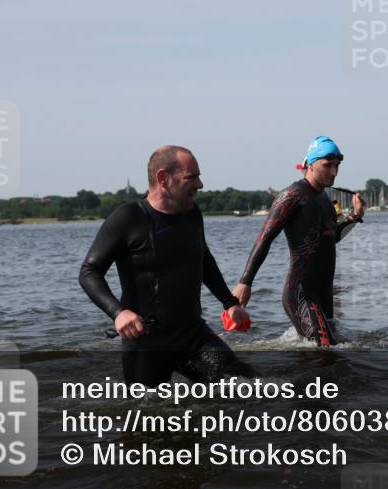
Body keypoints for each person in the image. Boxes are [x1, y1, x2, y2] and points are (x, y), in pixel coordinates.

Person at [79, 145, 252, 386]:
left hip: (192, 334)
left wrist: (229, 304)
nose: (200, 184)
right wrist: (118, 313)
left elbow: (204, 259)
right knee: (147, 416)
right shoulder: (128, 217)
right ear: (163, 178)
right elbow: (89, 272)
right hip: (146, 342)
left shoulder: (192, 213)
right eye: (192, 177)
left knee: (246, 385)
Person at [232, 136, 365, 346]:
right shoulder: (293, 195)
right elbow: (265, 238)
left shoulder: (325, 200)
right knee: (326, 354)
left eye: (337, 166)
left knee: (333, 354)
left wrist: (353, 218)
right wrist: (245, 282)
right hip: (301, 293)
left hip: (324, 294)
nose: (334, 172)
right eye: (327, 165)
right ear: (310, 164)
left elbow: (331, 239)